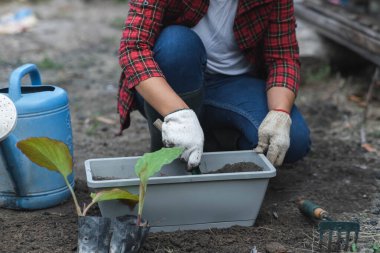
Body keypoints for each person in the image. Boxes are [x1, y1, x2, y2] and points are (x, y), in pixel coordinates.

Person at [117, 0, 311, 170]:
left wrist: (280, 114)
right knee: (176, 44)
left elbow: (282, 57)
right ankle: (166, 152)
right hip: (172, 80)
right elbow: (134, 48)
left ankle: (214, 143)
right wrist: (178, 115)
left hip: (234, 85)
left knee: (293, 141)